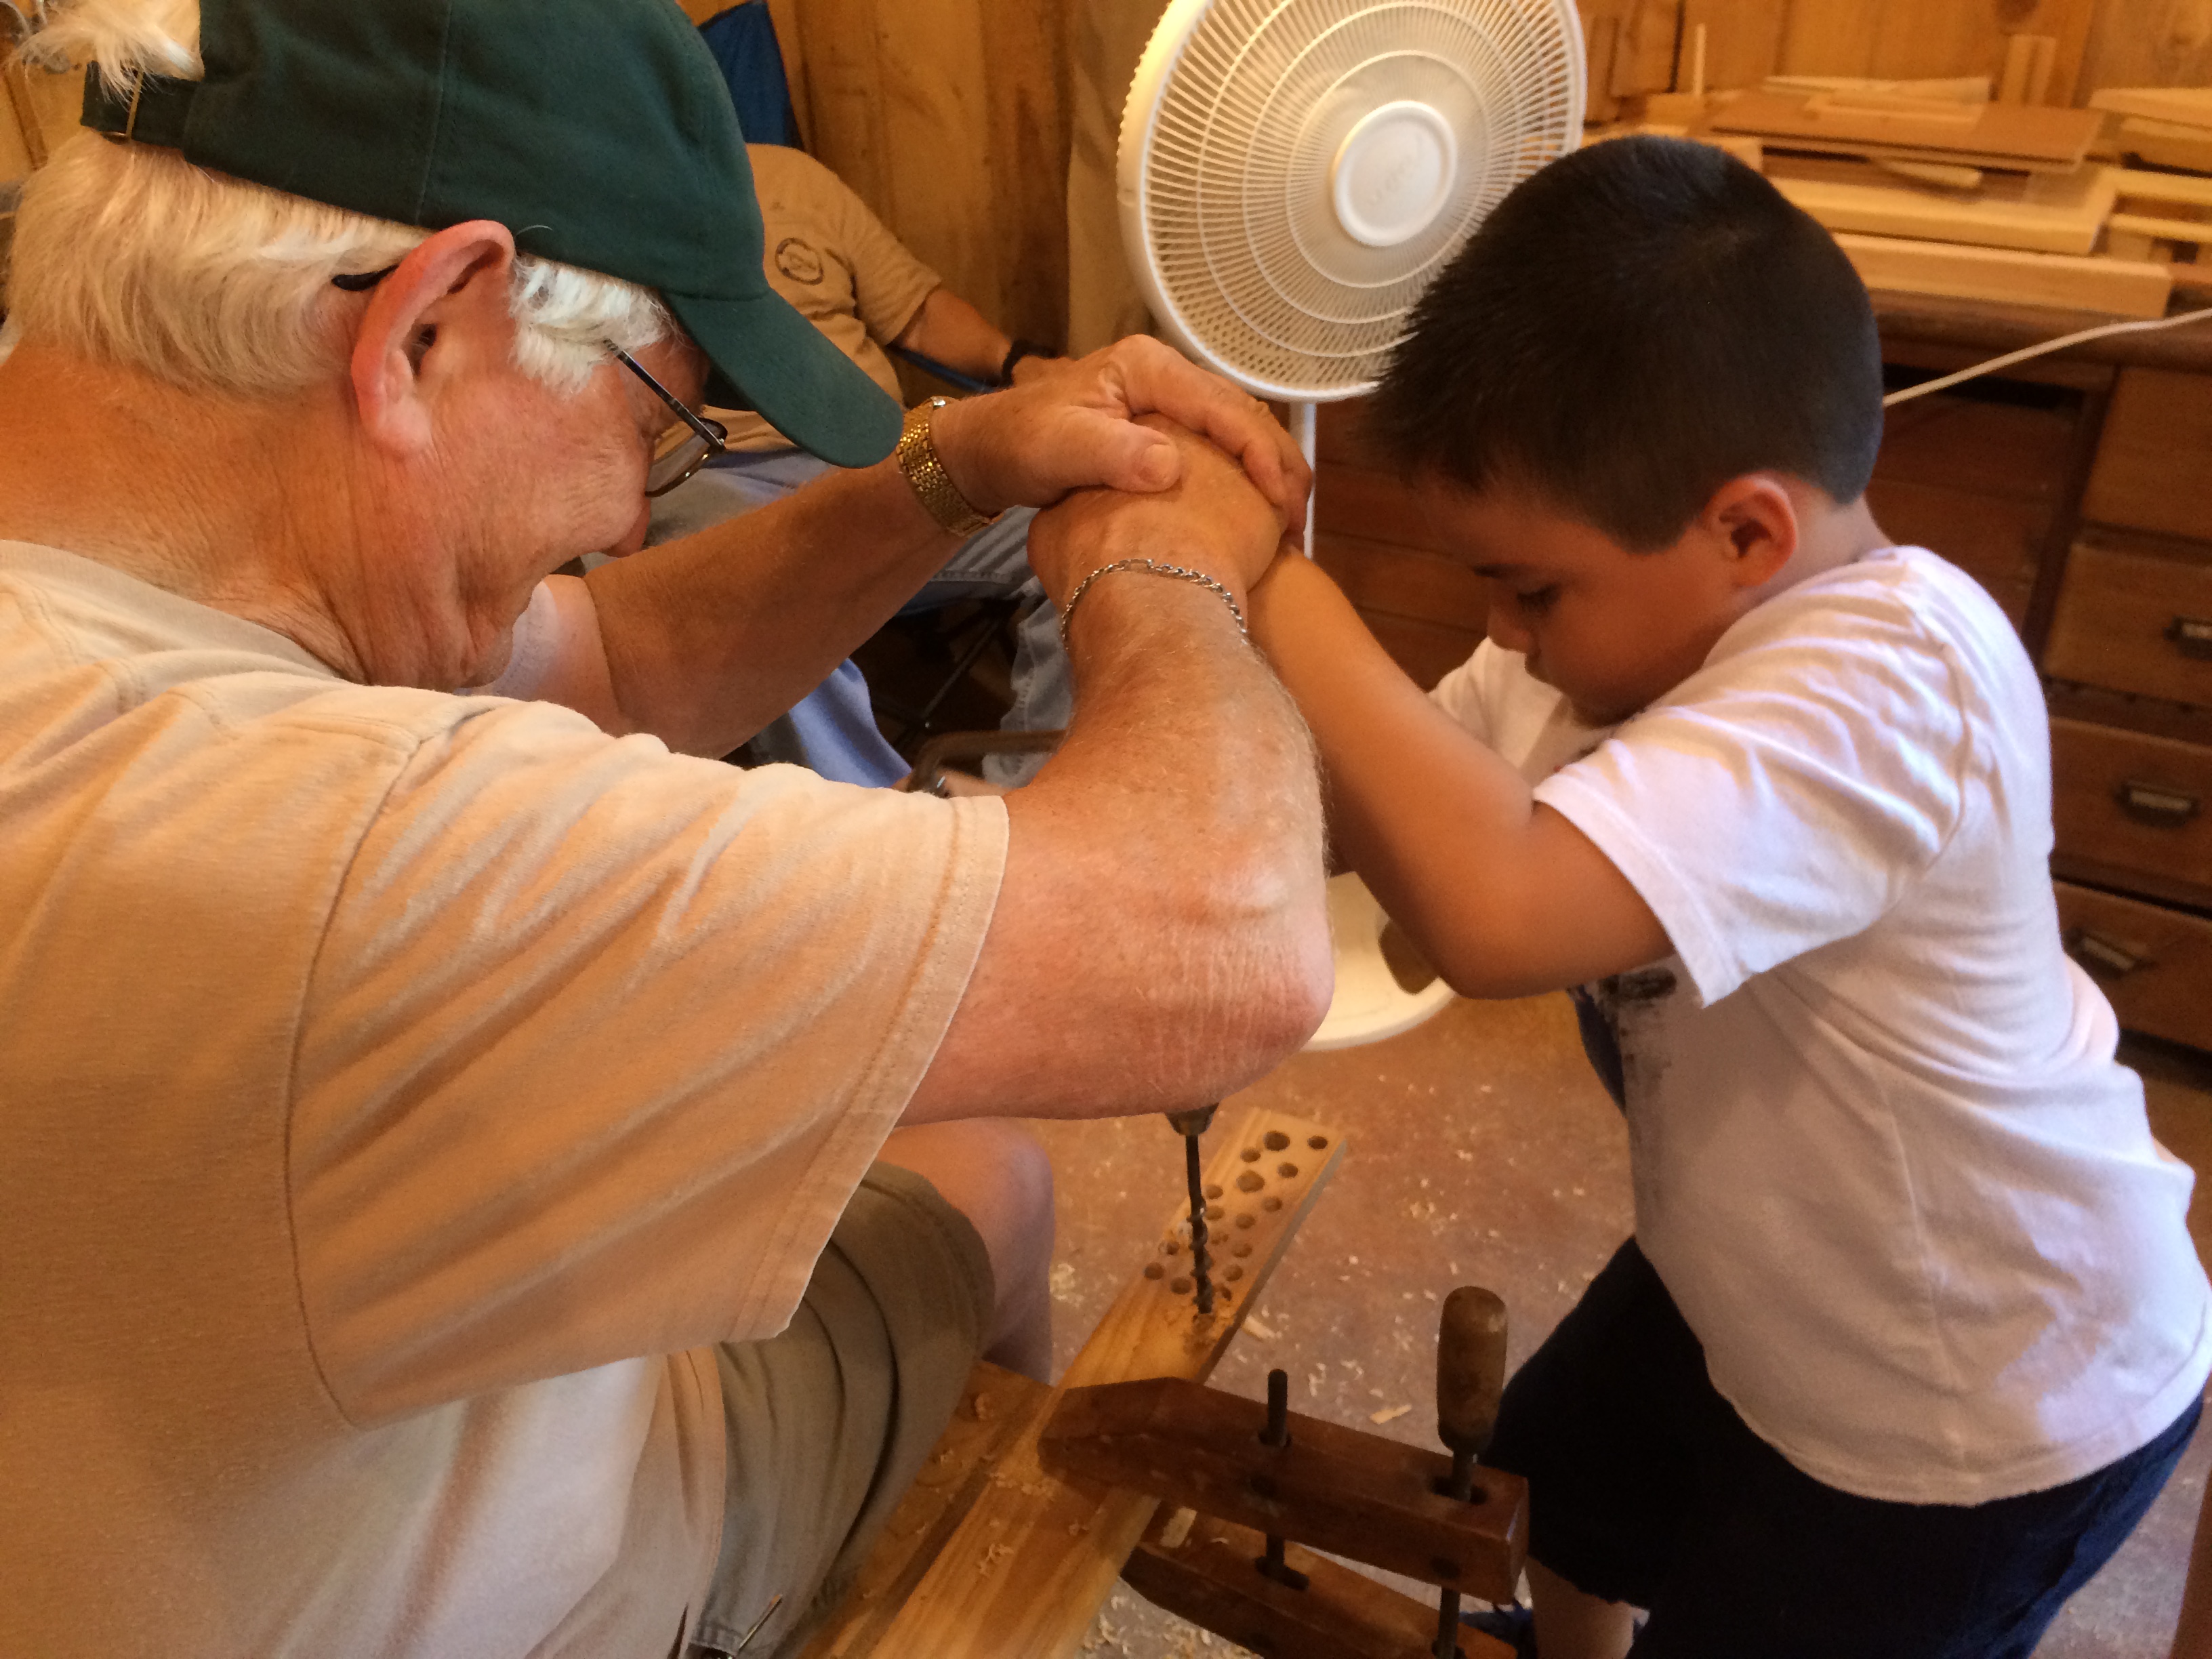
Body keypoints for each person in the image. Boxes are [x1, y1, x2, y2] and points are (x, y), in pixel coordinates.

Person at [0, 3, 1332, 1658]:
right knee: (986, 1175)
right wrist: (1174, 562)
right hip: (556, 1590)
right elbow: (1223, 932)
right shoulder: (337, 839)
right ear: (425, 328)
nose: (633, 508)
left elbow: (617, 655)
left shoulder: (130, 586)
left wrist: (956, 467)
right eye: (654, 418)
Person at [1246, 135, 2212, 1659]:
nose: (1506, 633)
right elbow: (1395, 842)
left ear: (1748, 532)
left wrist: (1266, 584)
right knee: (1557, 1483)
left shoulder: (1893, 676)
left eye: (1531, 588)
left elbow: (1490, 916)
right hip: (1759, 1275)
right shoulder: (1577, 658)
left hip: (1975, 1394)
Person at [644, 140, 1072, 787]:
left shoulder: (793, 177)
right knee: (744, 593)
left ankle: (1026, 797)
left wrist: (1021, 362)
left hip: (879, 451)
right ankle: (888, 820)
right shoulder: (602, 202)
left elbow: (916, 311)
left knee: (1081, 512)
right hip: (707, 469)